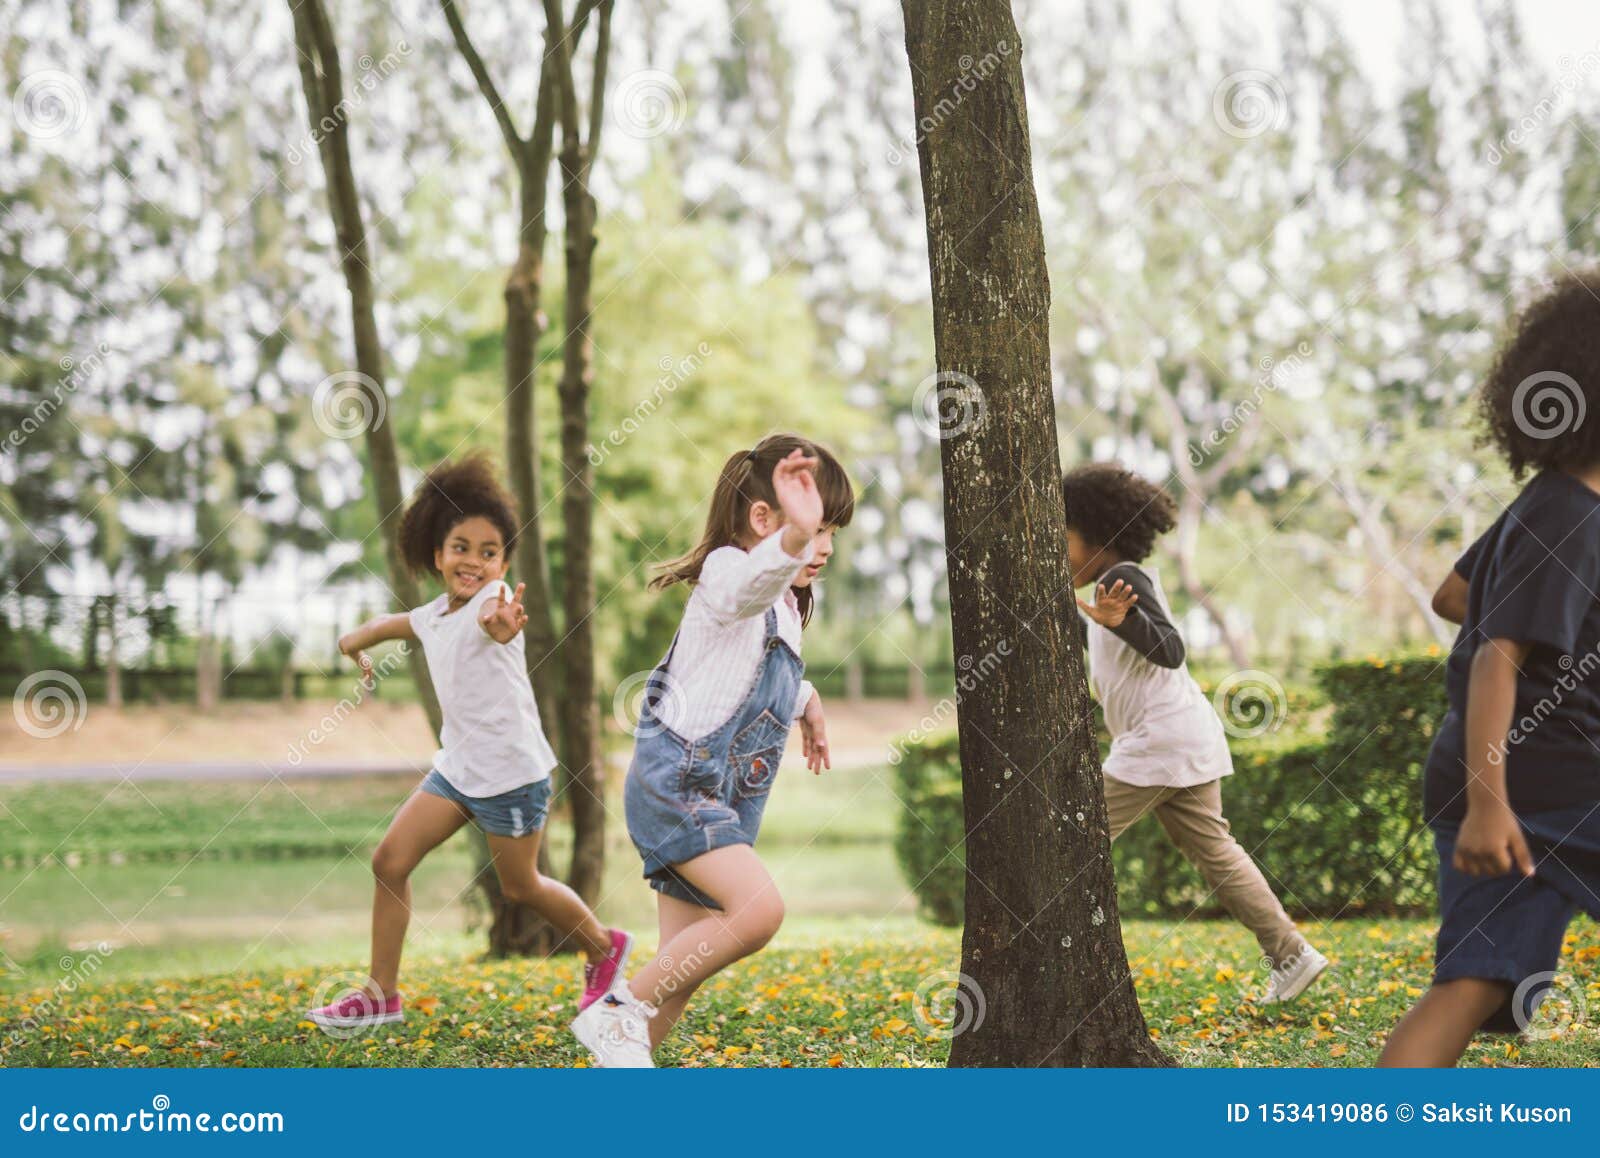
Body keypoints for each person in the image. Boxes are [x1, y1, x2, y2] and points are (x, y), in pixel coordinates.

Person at [307, 455, 631, 1032]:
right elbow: (396, 623)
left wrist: (504, 623)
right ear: (437, 555)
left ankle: (605, 949)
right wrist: (351, 641)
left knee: (521, 885)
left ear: (503, 564)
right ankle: (381, 994)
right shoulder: (434, 614)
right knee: (389, 861)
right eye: (462, 547)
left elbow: (495, 619)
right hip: (458, 773)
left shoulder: (494, 601)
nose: (474, 561)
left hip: (510, 776)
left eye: (489, 551)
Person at [570, 435, 854, 1067]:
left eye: (832, 530)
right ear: (763, 520)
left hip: (714, 794)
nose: (827, 546)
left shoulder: (789, 605)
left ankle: (622, 1077)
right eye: (817, 528)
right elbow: (745, 592)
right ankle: (612, 1014)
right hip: (678, 785)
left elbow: (743, 671)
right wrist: (791, 540)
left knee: (684, 965)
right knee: (757, 912)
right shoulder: (732, 572)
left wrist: (806, 700)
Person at [1381, 273, 1600, 1066]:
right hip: (1541, 790)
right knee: (1472, 983)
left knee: (1474, 982)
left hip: (1517, 784)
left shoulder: (1549, 503)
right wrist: (1488, 805)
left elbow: (1454, 597)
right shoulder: (1570, 516)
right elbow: (1496, 662)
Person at [1062, 462, 1328, 1004]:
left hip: (1160, 742)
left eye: (1064, 537)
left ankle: (1063, 961)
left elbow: (1171, 648)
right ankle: (1292, 954)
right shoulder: (1103, 595)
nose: (1058, 551)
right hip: (1181, 738)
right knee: (1217, 853)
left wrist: (1122, 622)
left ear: (1097, 534)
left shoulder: (1125, 580)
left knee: (1070, 841)